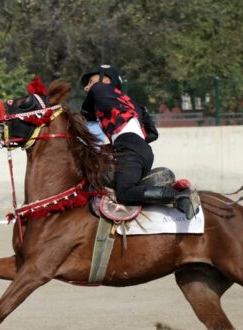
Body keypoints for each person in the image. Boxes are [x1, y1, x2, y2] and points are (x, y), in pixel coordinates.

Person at [80, 65, 195, 219]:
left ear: (106, 79)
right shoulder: (136, 105)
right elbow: (152, 133)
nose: (87, 87)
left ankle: (177, 196)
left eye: (89, 82)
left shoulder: (100, 88)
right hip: (140, 150)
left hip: (129, 149)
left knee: (125, 193)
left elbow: (86, 112)